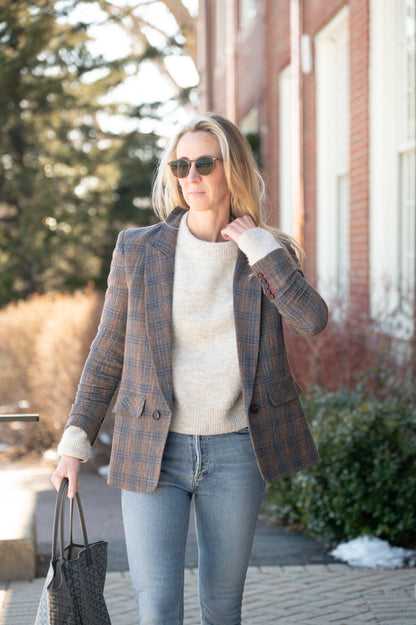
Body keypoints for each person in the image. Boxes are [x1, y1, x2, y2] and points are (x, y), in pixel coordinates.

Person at [51, 112, 328, 625]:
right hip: (154, 449)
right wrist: (74, 443)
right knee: (157, 609)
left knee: (222, 609)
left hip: (237, 451)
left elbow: (312, 321)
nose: (191, 176)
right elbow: (108, 349)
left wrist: (261, 249)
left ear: (233, 169)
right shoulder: (138, 250)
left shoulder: (269, 253)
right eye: (181, 165)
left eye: (204, 163)